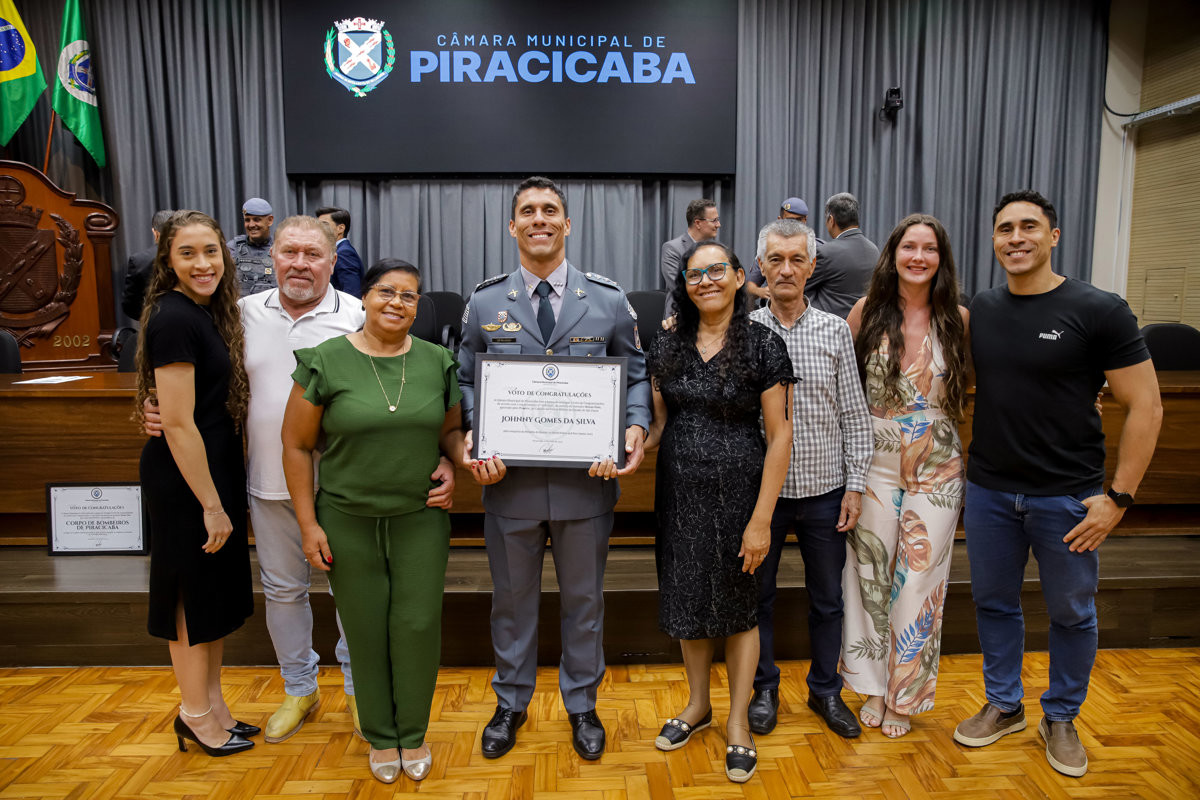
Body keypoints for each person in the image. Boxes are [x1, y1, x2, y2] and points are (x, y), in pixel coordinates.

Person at [143, 216, 458, 744]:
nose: (300, 264)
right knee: (285, 593)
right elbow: (192, 375)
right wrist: (154, 409)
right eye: (290, 252)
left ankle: (364, 695)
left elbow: (417, 401)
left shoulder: (364, 314)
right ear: (272, 257)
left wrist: (444, 460)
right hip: (266, 481)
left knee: (353, 597)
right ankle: (299, 689)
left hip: (344, 489)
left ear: (334, 263)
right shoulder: (237, 315)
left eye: (314, 255)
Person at [953, 191, 1161, 777]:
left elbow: (1145, 404)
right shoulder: (983, 310)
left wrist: (1119, 497)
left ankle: (1061, 716)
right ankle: (1004, 705)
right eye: (1004, 229)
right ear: (993, 240)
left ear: (1054, 236)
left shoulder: (1100, 309)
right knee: (994, 604)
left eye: (1028, 226)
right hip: (990, 491)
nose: (1015, 237)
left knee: (1072, 614)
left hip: (1067, 497)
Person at [457, 176, 651, 762]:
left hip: (584, 485)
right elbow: (467, 375)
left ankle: (582, 705)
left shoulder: (609, 299)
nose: (539, 219)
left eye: (550, 210)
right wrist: (474, 431)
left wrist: (635, 425)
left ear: (567, 225)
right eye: (527, 211)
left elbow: (635, 371)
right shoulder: (486, 301)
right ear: (513, 226)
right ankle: (511, 702)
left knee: (584, 601)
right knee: (511, 603)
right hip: (508, 485)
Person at [282, 257, 466, 784]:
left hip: (419, 520)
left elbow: (449, 434)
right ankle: (382, 738)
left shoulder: (438, 361)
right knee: (363, 630)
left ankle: (413, 732)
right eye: (387, 291)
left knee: (417, 626)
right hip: (345, 519)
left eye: (410, 296)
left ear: (418, 306)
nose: (397, 303)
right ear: (363, 297)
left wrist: (453, 462)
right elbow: (294, 445)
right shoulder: (324, 360)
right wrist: (308, 524)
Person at [646, 240, 793, 784]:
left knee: (739, 607)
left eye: (716, 270)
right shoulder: (666, 345)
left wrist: (761, 520)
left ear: (737, 277)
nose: (705, 280)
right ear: (684, 284)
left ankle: (736, 722)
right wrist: (628, 443)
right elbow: (661, 426)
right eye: (694, 273)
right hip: (679, 490)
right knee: (687, 598)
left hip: (741, 494)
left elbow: (780, 437)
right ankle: (697, 705)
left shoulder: (763, 344)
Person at [840, 213, 969, 739]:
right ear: (892, 254)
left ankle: (903, 695)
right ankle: (870, 684)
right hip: (874, 455)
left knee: (919, 581)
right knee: (870, 574)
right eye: (909, 247)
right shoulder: (864, 312)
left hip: (937, 460)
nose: (919, 257)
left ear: (941, 258)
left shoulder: (958, 318)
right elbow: (839, 387)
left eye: (929, 248)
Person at [134, 210, 255, 756]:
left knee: (212, 598)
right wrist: (211, 504)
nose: (203, 263)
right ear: (168, 259)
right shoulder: (175, 317)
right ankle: (195, 714)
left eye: (211, 250)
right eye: (188, 253)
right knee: (190, 600)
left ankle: (216, 707)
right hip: (188, 482)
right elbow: (178, 423)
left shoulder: (208, 312)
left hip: (214, 468)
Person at [747, 219, 872, 740]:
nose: (786, 269)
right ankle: (765, 687)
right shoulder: (745, 332)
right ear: (760, 267)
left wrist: (857, 483)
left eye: (797, 259)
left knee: (828, 599)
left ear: (812, 267)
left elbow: (854, 413)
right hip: (762, 500)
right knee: (759, 599)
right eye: (776, 259)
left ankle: (825, 690)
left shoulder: (836, 330)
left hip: (825, 493)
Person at [809, 193, 880, 318]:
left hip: (830, 330)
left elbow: (800, 288)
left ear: (831, 220)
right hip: (865, 327)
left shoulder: (825, 252)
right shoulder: (874, 250)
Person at [121, 209, 174, 320]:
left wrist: (150, 319)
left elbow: (130, 305)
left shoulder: (139, 261)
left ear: (155, 233)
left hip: (156, 324)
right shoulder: (192, 257)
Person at [227, 197, 276, 296]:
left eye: (257, 220)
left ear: (270, 220)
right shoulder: (233, 248)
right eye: (247, 220)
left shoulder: (280, 248)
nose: (251, 225)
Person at [316, 206, 364, 298]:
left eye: (324, 225)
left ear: (341, 228)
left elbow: (352, 293)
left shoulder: (344, 253)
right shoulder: (338, 250)